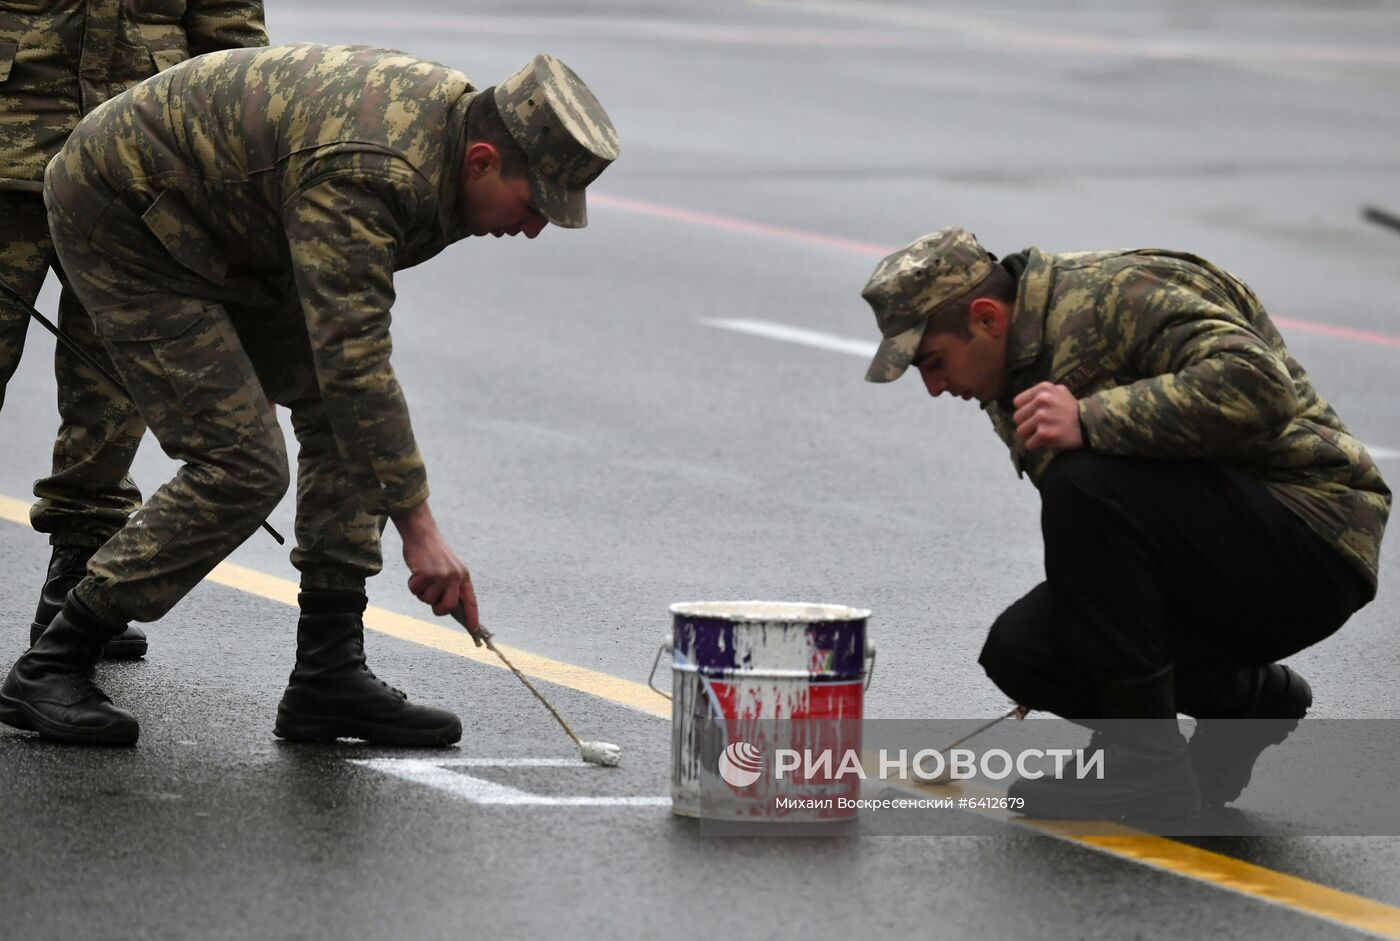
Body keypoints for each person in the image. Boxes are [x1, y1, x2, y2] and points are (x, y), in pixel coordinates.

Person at [0, 43, 620, 747]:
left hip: (229, 221)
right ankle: (55, 659)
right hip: (126, 214)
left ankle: (329, 673)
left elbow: (343, 370)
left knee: (337, 414)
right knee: (243, 465)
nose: (535, 228)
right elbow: (354, 361)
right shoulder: (374, 170)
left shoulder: (447, 140)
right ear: (482, 159)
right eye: (535, 204)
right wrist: (422, 535)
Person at [861, 227, 1389, 818]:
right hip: (1213, 557)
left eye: (933, 362)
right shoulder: (1010, 369)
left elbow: (1260, 386)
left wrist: (1091, 418)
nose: (934, 387)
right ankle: (1245, 704)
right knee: (1023, 651)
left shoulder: (1119, 294)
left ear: (987, 318)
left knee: (1082, 479)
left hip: (1311, 535)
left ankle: (1146, 769)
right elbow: (1113, 545)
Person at [0, 0, 268, 662]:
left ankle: (76, 581)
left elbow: (231, 33)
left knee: (114, 389)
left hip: (139, 158)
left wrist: (230, 165)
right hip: (9, 143)